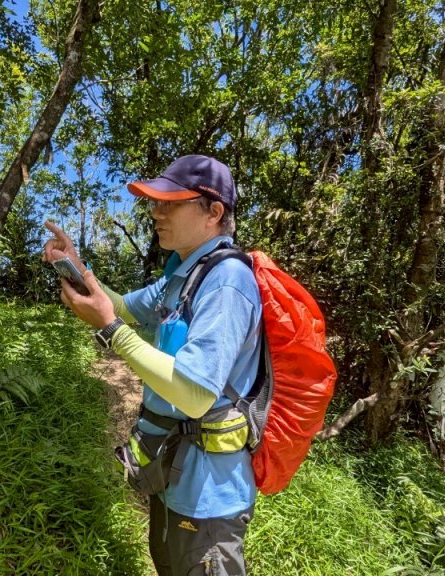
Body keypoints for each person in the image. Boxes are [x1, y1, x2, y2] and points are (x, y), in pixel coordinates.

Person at [43, 155, 262, 575]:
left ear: (213, 212)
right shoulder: (182, 272)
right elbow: (124, 308)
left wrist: (110, 331)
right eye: (154, 203)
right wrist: (78, 268)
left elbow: (196, 395)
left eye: (170, 203)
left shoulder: (227, 280)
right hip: (170, 477)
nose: (155, 213)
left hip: (208, 498)